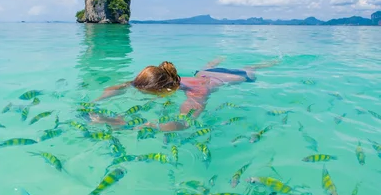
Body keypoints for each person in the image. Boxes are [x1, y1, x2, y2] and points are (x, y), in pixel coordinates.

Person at [95, 57, 278, 131]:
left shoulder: (198, 92)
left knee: (249, 71)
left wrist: (153, 126)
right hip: (202, 73)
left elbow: (185, 122)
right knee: (204, 69)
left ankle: (258, 65)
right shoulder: (166, 78)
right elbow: (125, 85)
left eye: (152, 95)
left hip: (228, 77)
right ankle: (213, 62)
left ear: (165, 90)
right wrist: (96, 101)